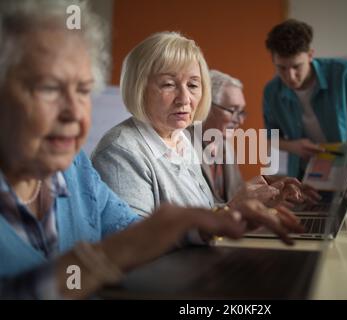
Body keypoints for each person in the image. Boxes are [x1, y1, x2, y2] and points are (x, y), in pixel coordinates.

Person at [0, 0, 300, 299]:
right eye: (49, 88)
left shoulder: (75, 168)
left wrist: (217, 219)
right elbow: (128, 248)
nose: (75, 113)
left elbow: (137, 233)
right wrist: (104, 258)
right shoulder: (120, 149)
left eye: (82, 90)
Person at [91, 32, 305, 232]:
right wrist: (232, 210)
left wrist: (252, 207)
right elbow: (136, 245)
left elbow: (204, 215)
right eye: (168, 84)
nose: (185, 98)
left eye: (193, 85)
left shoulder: (180, 139)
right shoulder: (119, 152)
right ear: (138, 87)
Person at [262, 19, 347, 204]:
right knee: (314, 230)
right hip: (309, 184)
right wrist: (294, 146)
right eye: (282, 68)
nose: (290, 76)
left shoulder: (344, 74)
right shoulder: (272, 91)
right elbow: (271, 137)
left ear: (310, 55)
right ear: (273, 60)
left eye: (296, 66)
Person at [187, 69, 321, 205]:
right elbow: (193, 213)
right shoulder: (182, 146)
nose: (240, 120)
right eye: (233, 110)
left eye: (241, 112)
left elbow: (236, 196)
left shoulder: (223, 145)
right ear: (206, 106)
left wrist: (274, 194)